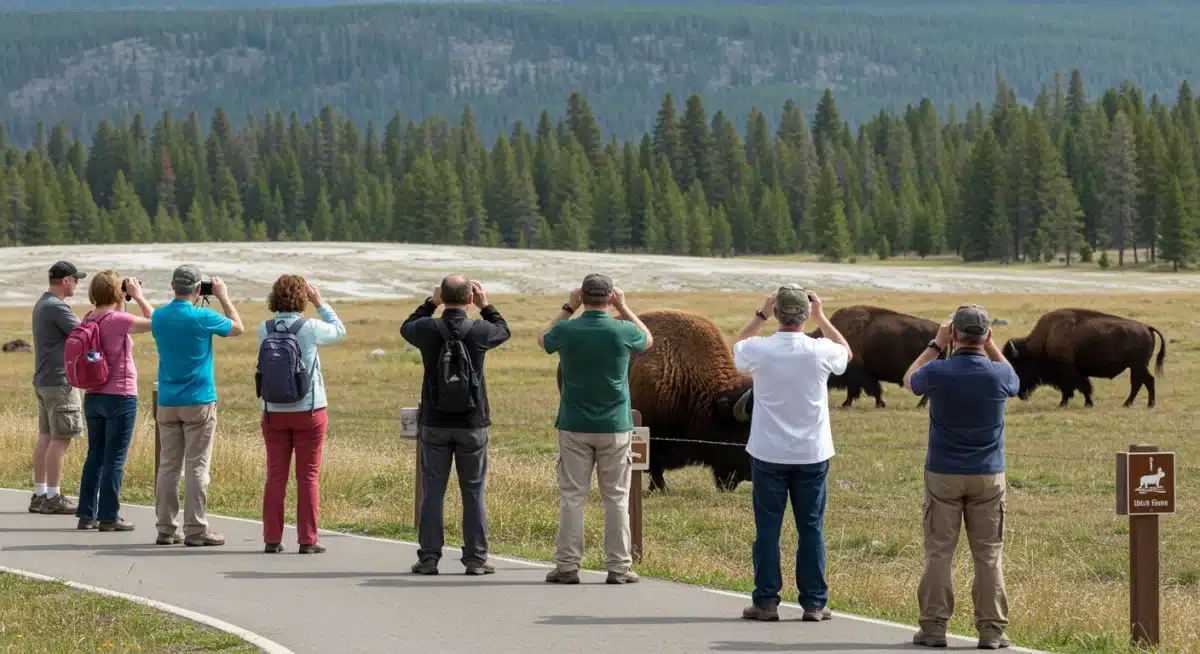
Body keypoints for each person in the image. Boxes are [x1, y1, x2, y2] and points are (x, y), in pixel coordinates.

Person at [902, 304, 1020, 650]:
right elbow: (1013, 379)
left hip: (943, 473)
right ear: (985, 335)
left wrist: (935, 345)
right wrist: (992, 346)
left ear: (954, 334)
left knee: (939, 552)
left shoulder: (939, 370)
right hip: (988, 474)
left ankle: (934, 628)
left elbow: (910, 379)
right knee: (988, 555)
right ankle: (991, 631)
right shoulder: (998, 375)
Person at [731, 284, 851, 623]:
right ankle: (814, 603)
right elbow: (847, 353)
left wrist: (759, 315)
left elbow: (737, 348)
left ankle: (766, 601)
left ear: (777, 313)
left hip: (768, 452)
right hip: (812, 452)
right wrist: (823, 316)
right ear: (804, 314)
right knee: (811, 527)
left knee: (768, 528)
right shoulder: (820, 350)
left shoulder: (761, 349)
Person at [538, 273, 653, 585]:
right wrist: (626, 308)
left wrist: (567, 307)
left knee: (572, 497)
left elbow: (542, 340)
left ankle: (567, 565)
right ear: (610, 298)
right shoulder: (623, 330)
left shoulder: (566, 329)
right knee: (616, 498)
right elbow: (648, 340)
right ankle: (619, 567)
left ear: (582, 297)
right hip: (615, 425)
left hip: (574, 424)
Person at [401, 276, 510, 575]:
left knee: (433, 491)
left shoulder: (426, 329)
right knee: (473, 491)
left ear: (442, 296)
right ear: (470, 299)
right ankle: (475, 558)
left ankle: (429, 558)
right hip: (472, 422)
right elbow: (504, 330)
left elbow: (406, 326)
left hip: (434, 421)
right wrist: (486, 306)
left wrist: (430, 303)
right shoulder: (480, 331)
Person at [151, 265, 244, 547]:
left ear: (172, 285)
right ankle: (195, 528)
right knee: (196, 466)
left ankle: (166, 528)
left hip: (168, 400)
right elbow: (238, 328)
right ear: (196, 289)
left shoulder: (158, 316)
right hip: (198, 399)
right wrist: (223, 296)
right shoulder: (202, 316)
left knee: (168, 465)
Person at [257, 275, 346, 554]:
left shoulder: (264, 327)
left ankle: (272, 539)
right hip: (309, 409)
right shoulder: (309, 327)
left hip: (273, 411)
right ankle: (307, 540)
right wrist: (321, 303)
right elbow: (339, 331)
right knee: (307, 477)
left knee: (275, 476)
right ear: (302, 298)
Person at [74, 272, 154, 532]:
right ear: (116, 293)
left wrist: (121, 297)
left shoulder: (89, 318)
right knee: (115, 458)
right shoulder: (118, 320)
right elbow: (155, 322)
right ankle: (109, 516)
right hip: (120, 395)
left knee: (95, 455)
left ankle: (87, 513)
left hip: (93, 394)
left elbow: (112, 318)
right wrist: (138, 296)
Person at [29, 261, 87, 515]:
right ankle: (53, 496)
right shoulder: (57, 307)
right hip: (60, 381)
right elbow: (85, 334)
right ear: (66, 280)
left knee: (46, 437)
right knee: (61, 439)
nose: (77, 284)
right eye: (76, 280)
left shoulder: (42, 303)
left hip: (44, 380)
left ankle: (40, 492)